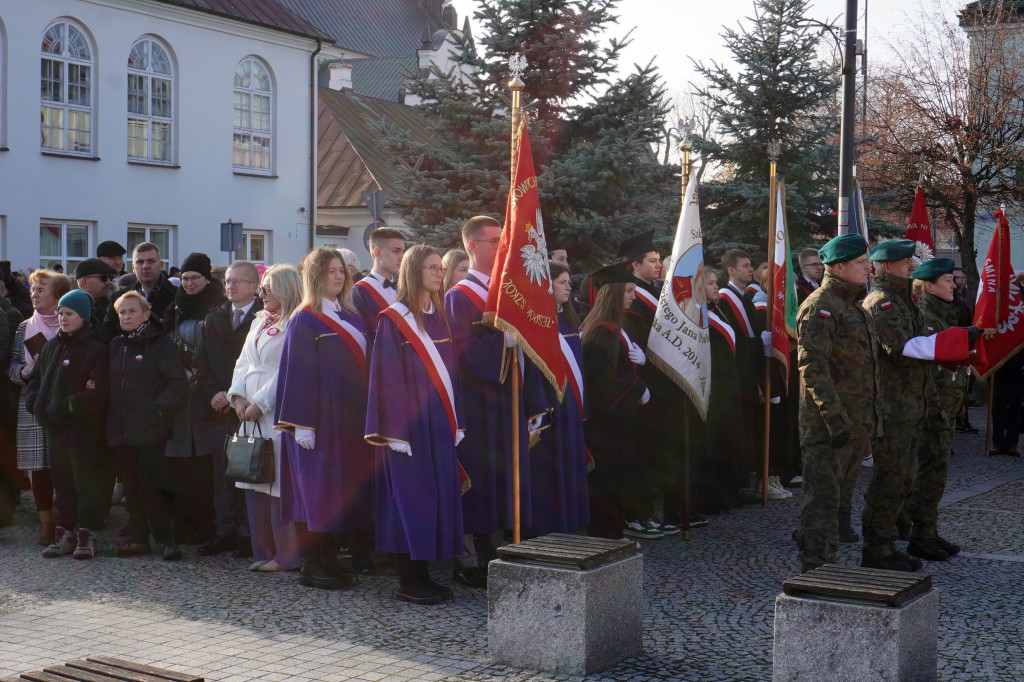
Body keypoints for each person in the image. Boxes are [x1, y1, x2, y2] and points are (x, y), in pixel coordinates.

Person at [860, 239, 976, 571]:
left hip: (913, 404)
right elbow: (904, 348)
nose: (911, 265)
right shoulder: (882, 302)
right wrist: (959, 340)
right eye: (904, 261)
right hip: (893, 406)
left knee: (905, 477)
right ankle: (878, 548)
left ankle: (907, 537)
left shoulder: (901, 301)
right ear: (886, 266)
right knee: (890, 479)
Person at [445, 215, 544, 580]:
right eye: (495, 241)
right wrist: (504, 341)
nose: (504, 247)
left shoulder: (506, 292)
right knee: (482, 479)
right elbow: (458, 352)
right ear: (473, 246)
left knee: (508, 476)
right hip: (478, 403)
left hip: (508, 400)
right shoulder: (459, 297)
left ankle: (506, 548)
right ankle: (476, 560)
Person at [365, 244, 465, 604]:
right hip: (407, 431)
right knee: (410, 502)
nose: (440, 274)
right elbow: (386, 378)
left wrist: (458, 420)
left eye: (441, 268)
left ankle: (424, 574)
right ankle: (409, 579)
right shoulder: (394, 319)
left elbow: (451, 375)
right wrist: (395, 433)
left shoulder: (439, 316)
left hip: (438, 425)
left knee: (434, 500)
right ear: (413, 272)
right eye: (432, 268)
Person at [275, 247, 372, 590]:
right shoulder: (305, 318)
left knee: (338, 492)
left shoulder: (353, 316)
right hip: (316, 422)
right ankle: (312, 564)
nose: (339, 276)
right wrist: (301, 424)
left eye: (342, 270)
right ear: (315, 276)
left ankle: (331, 558)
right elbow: (297, 374)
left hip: (348, 421)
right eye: (331, 271)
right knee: (316, 493)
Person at [793, 235, 877, 573]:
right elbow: (813, 367)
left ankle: (827, 564)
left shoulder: (852, 304)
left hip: (853, 423)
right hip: (829, 426)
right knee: (822, 503)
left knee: (838, 501)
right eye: (860, 262)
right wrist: (834, 418)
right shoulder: (821, 305)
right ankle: (815, 571)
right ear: (839, 267)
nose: (867, 267)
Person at [229, 265, 302, 573]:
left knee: (276, 483)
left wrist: (259, 403)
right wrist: (237, 397)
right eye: (261, 289)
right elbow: (243, 361)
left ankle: (286, 556)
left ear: (285, 289)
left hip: (275, 412)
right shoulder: (259, 322)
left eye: (267, 289)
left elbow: (288, 368)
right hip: (249, 413)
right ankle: (262, 551)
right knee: (253, 479)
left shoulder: (295, 323)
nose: (261, 295)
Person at [26, 290, 108, 559]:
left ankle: (86, 534)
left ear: (83, 317)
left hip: (82, 428)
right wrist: (36, 403)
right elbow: (35, 379)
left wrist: (71, 405)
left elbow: (98, 391)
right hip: (54, 427)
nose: (63, 318)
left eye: (69, 313)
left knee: (84, 480)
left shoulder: (95, 348)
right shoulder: (51, 346)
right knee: (61, 480)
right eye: (60, 313)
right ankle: (66, 532)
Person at [107, 292, 188, 560]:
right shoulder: (116, 345)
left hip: (150, 430)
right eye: (122, 313)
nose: (127, 317)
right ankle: (140, 539)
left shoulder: (158, 342)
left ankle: (166, 540)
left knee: (149, 487)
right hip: (121, 430)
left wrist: (158, 410)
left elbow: (177, 382)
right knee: (130, 488)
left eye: (132, 311)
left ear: (145, 313)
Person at [192, 261, 264, 558]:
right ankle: (224, 532)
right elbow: (200, 363)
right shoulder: (214, 317)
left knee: (248, 473)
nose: (231, 286)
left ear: (253, 287)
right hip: (218, 409)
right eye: (228, 281)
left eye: (238, 281)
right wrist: (214, 393)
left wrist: (239, 398)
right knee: (220, 474)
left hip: (248, 410)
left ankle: (249, 534)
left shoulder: (264, 318)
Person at [904, 258, 968, 562]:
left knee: (936, 473)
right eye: (947, 280)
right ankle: (920, 535)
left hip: (946, 405)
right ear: (928, 286)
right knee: (930, 473)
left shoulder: (945, 311)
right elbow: (930, 359)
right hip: (933, 407)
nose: (953, 285)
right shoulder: (926, 315)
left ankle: (927, 530)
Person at [581, 263, 650, 539]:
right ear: (614, 293)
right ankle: (605, 533)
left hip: (618, 419)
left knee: (618, 475)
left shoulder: (617, 327)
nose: (634, 296)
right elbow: (607, 377)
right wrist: (639, 386)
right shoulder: (601, 331)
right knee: (606, 478)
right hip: (605, 421)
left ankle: (614, 527)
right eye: (629, 291)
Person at [162, 252, 225, 545]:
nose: (188, 284)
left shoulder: (219, 306)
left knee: (205, 461)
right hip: (179, 393)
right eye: (185, 278)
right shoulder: (174, 307)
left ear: (206, 278)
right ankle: (183, 523)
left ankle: (208, 524)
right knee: (179, 461)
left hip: (206, 394)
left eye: (194, 278)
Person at [526, 261, 589, 535]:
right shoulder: (537, 321)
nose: (568, 287)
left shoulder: (568, 318)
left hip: (571, 405)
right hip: (552, 407)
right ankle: (550, 529)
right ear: (546, 285)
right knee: (551, 471)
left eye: (568, 282)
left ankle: (570, 524)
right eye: (562, 282)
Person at [8, 270, 70, 546]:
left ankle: (67, 521)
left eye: (41, 290)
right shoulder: (24, 327)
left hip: (63, 405)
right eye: (32, 289)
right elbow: (11, 367)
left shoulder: (69, 324)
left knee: (65, 466)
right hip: (32, 404)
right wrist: (23, 372)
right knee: (38, 468)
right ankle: (46, 524)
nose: (33, 294)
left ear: (57, 296)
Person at [105, 242, 177, 340]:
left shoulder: (177, 297)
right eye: (140, 262)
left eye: (151, 261)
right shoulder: (118, 299)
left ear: (161, 265)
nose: (145, 266)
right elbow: (108, 337)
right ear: (133, 268)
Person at [352, 227, 405, 340]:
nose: (402, 257)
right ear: (378, 253)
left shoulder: (405, 289)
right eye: (396, 251)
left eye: (402, 251)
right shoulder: (359, 292)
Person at [73, 259, 118, 337]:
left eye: (110, 277)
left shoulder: (114, 308)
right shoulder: (69, 308)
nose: (109, 282)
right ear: (85, 282)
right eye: (103, 278)